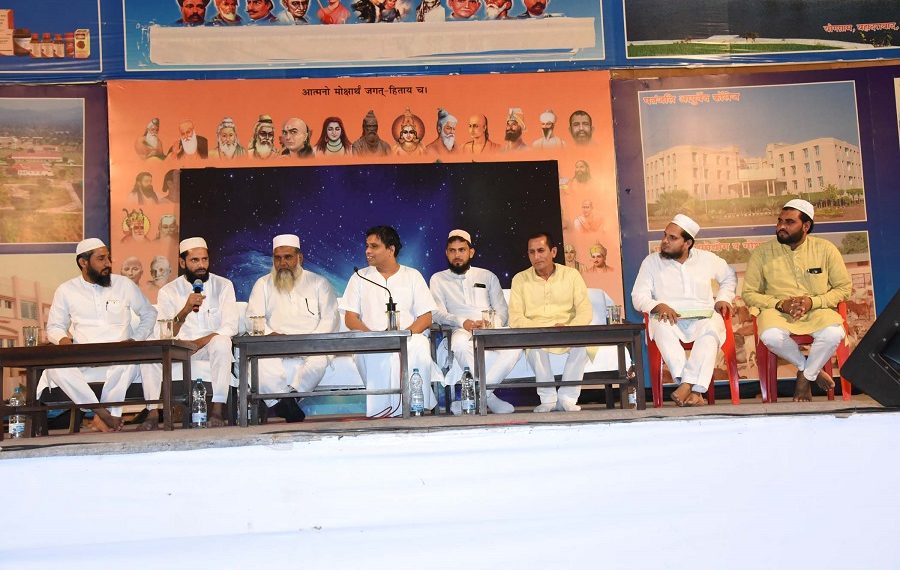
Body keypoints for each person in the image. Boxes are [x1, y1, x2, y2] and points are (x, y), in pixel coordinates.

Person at [742, 199, 852, 402]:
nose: (781, 227)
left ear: (806, 226)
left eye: (789, 222)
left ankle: (805, 376)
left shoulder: (825, 249)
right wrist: (779, 304)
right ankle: (809, 370)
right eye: (780, 221)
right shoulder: (762, 253)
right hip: (777, 312)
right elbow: (749, 293)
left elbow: (844, 288)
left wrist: (813, 302)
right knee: (771, 336)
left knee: (833, 333)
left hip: (817, 310)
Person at [43, 239, 157, 432]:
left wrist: (135, 340)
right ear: (83, 262)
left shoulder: (123, 284)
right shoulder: (66, 290)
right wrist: (64, 341)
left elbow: (149, 313)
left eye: (108, 258)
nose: (108, 263)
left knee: (129, 363)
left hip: (121, 357)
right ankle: (103, 413)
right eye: (101, 259)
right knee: (55, 369)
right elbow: (54, 326)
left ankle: (103, 416)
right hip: (84, 359)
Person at [631, 214, 737, 406]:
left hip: (703, 317)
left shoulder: (707, 259)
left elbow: (729, 277)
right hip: (669, 317)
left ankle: (687, 386)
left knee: (711, 330)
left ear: (687, 243)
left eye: (672, 238)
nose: (665, 241)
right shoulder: (651, 262)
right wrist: (658, 305)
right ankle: (694, 391)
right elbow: (638, 296)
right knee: (660, 326)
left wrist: (723, 298)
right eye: (665, 235)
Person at [341, 226, 441, 417]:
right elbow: (350, 318)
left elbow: (426, 317)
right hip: (372, 338)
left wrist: (404, 336)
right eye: (367, 246)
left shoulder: (412, 276)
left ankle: (415, 405)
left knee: (419, 345)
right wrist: (373, 336)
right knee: (374, 351)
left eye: (374, 246)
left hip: (409, 336)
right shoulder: (359, 277)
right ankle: (383, 410)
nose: (367, 251)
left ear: (391, 249)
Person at [141, 237, 239, 429]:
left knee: (222, 341)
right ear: (182, 262)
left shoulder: (224, 285)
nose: (201, 265)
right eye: (195, 260)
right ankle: (152, 413)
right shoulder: (168, 291)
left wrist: (200, 342)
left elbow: (231, 326)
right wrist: (185, 310)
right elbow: (165, 333)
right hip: (180, 349)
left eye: (204, 259)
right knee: (150, 351)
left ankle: (217, 409)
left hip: (209, 347)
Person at [246, 234, 339, 422]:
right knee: (260, 363)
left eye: (288, 257)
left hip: (311, 344)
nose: (283, 263)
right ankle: (287, 403)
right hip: (275, 343)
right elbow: (253, 318)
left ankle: (285, 402)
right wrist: (271, 335)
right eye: (278, 258)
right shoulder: (263, 284)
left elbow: (330, 319)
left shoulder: (319, 283)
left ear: (299, 258)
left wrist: (309, 342)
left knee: (320, 359)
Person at [430, 230, 519, 414]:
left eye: (461, 250)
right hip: (459, 329)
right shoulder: (438, 279)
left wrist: (491, 324)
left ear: (471, 252)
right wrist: (462, 322)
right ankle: (488, 397)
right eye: (452, 250)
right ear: (446, 253)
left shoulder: (487, 276)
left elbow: (502, 310)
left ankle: (478, 396)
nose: (457, 255)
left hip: (490, 329)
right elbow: (437, 313)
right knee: (460, 345)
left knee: (515, 347)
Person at [509, 232, 592, 412]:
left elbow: (585, 310)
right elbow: (515, 318)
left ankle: (567, 398)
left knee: (583, 346)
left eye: (541, 250)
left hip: (566, 330)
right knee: (534, 345)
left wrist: (569, 328)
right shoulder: (520, 279)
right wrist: (540, 329)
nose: (536, 256)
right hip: (536, 332)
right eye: (532, 252)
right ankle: (548, 400)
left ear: (553, 252)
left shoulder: (571, 275)